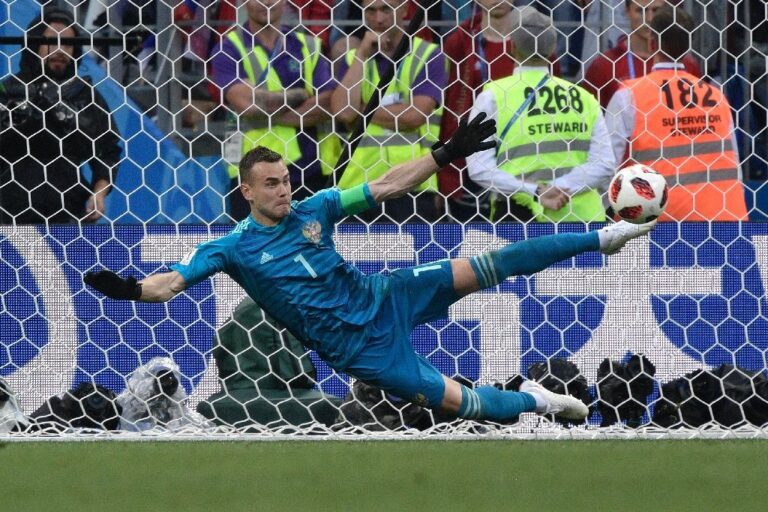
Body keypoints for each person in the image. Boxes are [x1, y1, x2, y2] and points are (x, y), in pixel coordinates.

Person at [84, 115, 658, 426]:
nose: (284, 190)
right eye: (271, 184)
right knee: (471, 406)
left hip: (386, 295)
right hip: (363, 352)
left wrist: (443, 154)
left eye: (286, 180)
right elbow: (170, 283)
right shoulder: (230, 247)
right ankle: (537, 400)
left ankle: (603, 237)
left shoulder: (315, 208)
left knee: (494, 263)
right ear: (248, 191)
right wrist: (127, 289)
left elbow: (385, 186)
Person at [466, 7, 615, 223]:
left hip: (518, 218)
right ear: (553, 49)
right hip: (582, 219)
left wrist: (536, 191)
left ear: (511, 47)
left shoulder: (493, 96)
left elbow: (479, 168)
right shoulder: (583, 97)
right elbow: (605, 164)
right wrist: (562, 187)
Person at [606, 5, 748, 221]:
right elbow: (735, 164)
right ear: (688, 45)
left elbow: (607, 165)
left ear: (652, 43)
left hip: (659, 223)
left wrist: (607, 212)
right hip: (725, 218)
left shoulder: (630, 96)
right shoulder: (716, 96)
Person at [212, 0, 338, 220]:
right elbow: (247, 104)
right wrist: (299, 95)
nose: (267, 2)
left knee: (313, 241)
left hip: (311, 169)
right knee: (256, 242)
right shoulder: (229, 47)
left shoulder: (308, 45)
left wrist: (267, 109)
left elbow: (327, 103)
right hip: (254, 175)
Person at [440, 0, 564, 222]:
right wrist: (448, 174)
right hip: (472, 161)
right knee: (474, 240)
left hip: (524, 162)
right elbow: (451, 107)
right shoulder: (460, 41)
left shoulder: (535, 38)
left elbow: (553, 97)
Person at [0, 6, 120, 225]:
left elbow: (107, 150)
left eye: (67, 43)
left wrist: (99, 193)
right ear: (34, 44)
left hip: (67, 213)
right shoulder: (8, 90)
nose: (59, 50)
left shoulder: (84, 94)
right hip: (9, 215)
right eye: (51, 42)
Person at [330, 0, 447, 223]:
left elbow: (414, 116)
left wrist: (362, 108)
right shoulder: (353, 57)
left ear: (404, 9)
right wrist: (362, 54)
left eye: (386, 9)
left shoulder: (428, 54)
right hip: (357, 186)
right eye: (370, 10)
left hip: (411, 183)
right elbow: (344, 112)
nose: (379, 19)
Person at [581, 0, 701, 109]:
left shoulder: (686, 65)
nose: (649, 18)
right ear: (627, 11)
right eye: (641, 10)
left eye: (656, 10)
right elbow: (589, 117)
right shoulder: (605, 65)